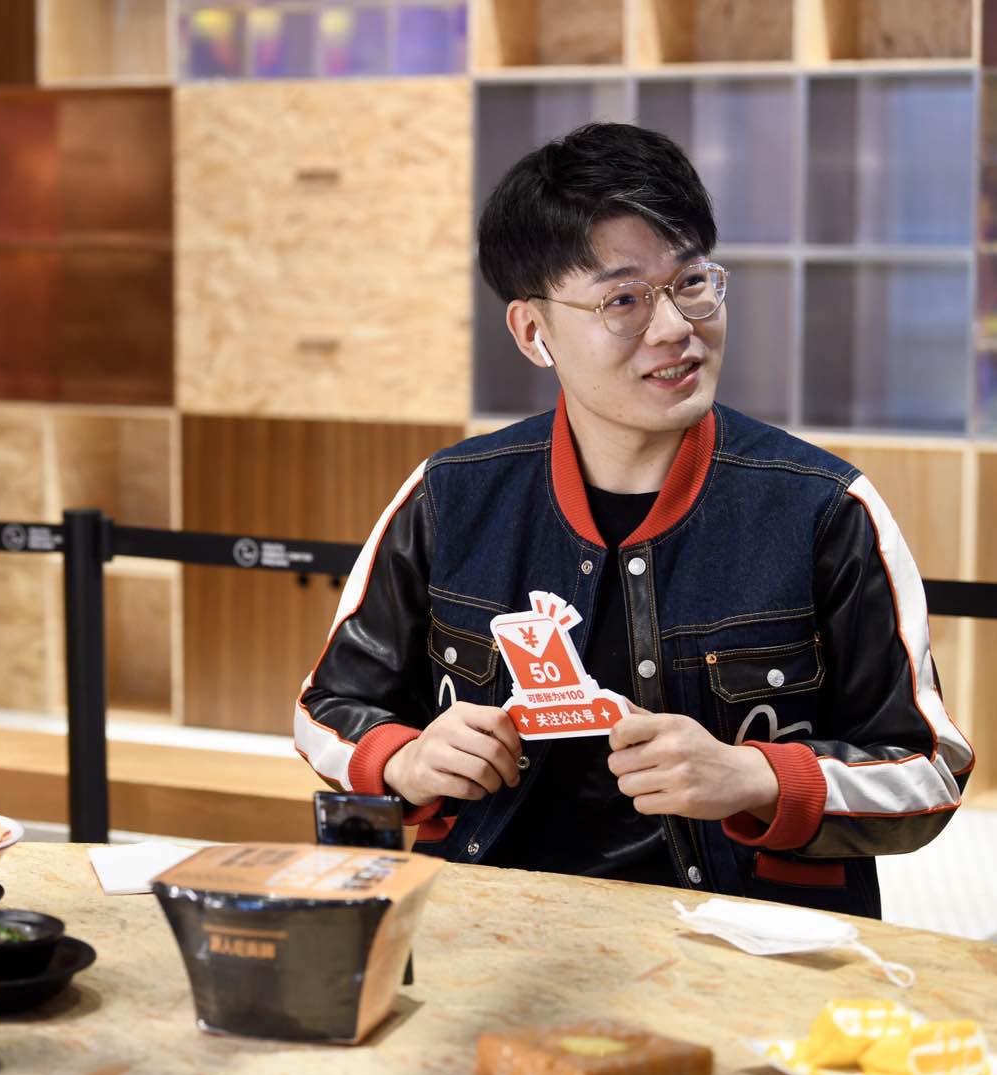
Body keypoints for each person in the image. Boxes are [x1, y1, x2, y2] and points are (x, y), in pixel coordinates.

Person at [293, 122, 974, 916]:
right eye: (623, 299)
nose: (676, 327)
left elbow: (929, 772)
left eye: (692, 282)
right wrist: (403, 761)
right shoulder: (450, 496)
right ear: (533, 332)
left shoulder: (824, 507)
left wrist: (755, 778)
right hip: (490, 922)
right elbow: (325, 708)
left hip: (742, 940)